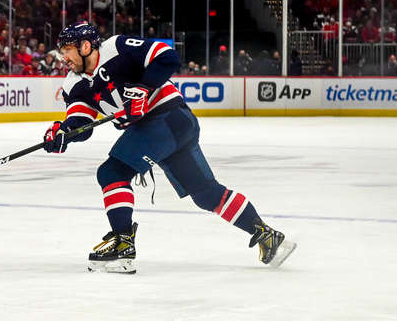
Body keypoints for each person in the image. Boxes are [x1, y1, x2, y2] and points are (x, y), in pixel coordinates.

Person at [43, 22, 296, 274]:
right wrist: (63, 133)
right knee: (206, 194)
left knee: (112, 173)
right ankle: (267, 235)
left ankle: (123, 245)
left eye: (67, 50)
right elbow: (81, 122)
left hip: (167, 116)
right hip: (168, 128)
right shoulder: (73, 85)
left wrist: (143, 89)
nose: (64, 57)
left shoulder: (117, 47)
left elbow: (167, 56)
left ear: (86, 46)